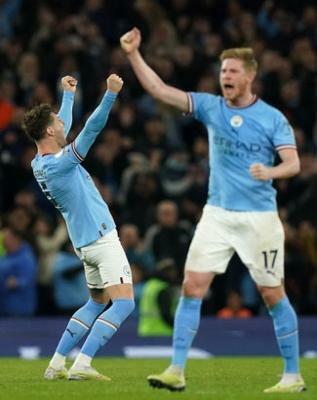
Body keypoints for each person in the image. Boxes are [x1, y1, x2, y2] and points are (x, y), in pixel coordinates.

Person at [121, 27, 305, 393]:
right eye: (223, 71)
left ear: (249, 76)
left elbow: (293, 163)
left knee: (272, 294)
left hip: (259, 218)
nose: (226, 77)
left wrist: (270, 172)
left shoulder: (272, 118)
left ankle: (292, 375)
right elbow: (160, 90)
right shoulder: (211, 106)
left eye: (233, 71)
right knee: (192, 286)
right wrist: (133, 55)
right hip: (217, 214)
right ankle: (176, 370)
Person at [23, 75, 135, 381]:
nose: (63, 123)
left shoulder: (39, 164)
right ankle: (83, 363)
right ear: (49, 130)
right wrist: (110, 95)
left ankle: (56, 364)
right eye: (57, 121)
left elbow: (64, 129)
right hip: (101, 238)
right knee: (124, 303)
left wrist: (68, 95)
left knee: (97, 302)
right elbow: (91, 129)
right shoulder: (61, 164)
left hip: (84, 244)